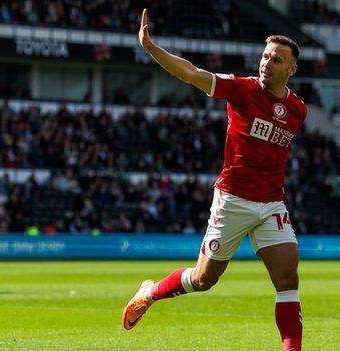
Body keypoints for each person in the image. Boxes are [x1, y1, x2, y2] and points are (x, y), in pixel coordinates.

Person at [121, 9, 307, 351]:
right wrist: (150, 48)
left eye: (277, 60)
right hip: (233, 199)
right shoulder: (241, 89)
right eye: (265, 57)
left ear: (291, 69)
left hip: (271, 204)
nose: (267, 63)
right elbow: (193, 73)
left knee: (287, 279)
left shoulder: (298, 110)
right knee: (204, 280)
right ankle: (150, 292)